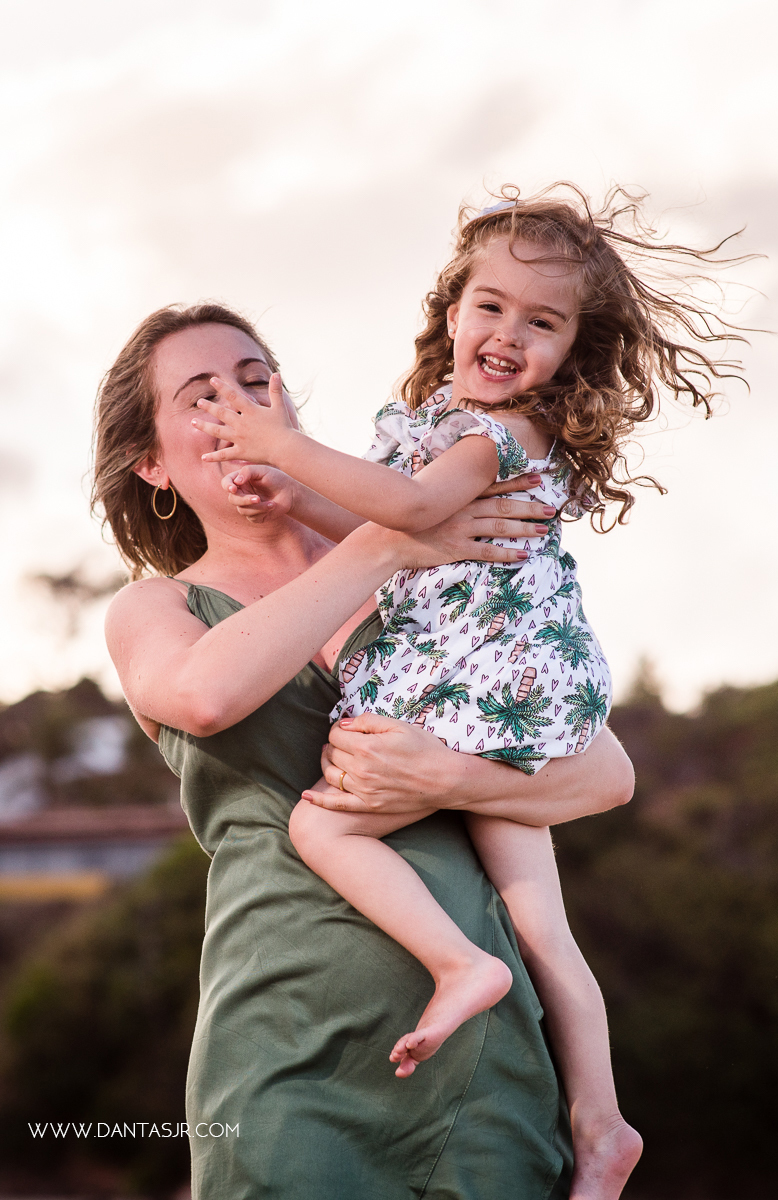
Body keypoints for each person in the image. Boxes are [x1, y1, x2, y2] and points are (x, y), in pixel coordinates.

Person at [192, 187, 744, 1199]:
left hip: (467, 683)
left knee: (321, 826)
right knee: (543, 927)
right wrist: (301, 493)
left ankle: (457, 965)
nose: (507, 334)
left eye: (542, 323)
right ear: (451, 311)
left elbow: (409, 511)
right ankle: (603, 1125)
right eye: (490, 306)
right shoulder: (445, 426)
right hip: (508, 687)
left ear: (571, 349)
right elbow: (395, 525)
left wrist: (281, 448)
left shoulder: (500, 433)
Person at [94, 301, 638, 1200]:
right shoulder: (156, 609)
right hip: (281, 1046)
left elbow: (604, 772)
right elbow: (204, 696)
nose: (238, 406)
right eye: (200, 397)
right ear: (150, 461)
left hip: (484, 1057)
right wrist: (386, 544)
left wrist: (448, 776)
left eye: (255, 382)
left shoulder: (430, 579)